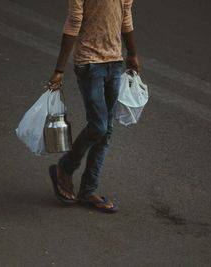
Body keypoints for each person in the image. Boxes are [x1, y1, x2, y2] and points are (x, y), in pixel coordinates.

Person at [47, 0, 139, 213]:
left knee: (106, 131)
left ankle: (88, 190)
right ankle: (65, 167)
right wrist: (59, 70)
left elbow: (126, 16)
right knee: (98, 126)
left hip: (115, 61)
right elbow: (74, 21)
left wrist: (132, 53)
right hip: (89, 63)